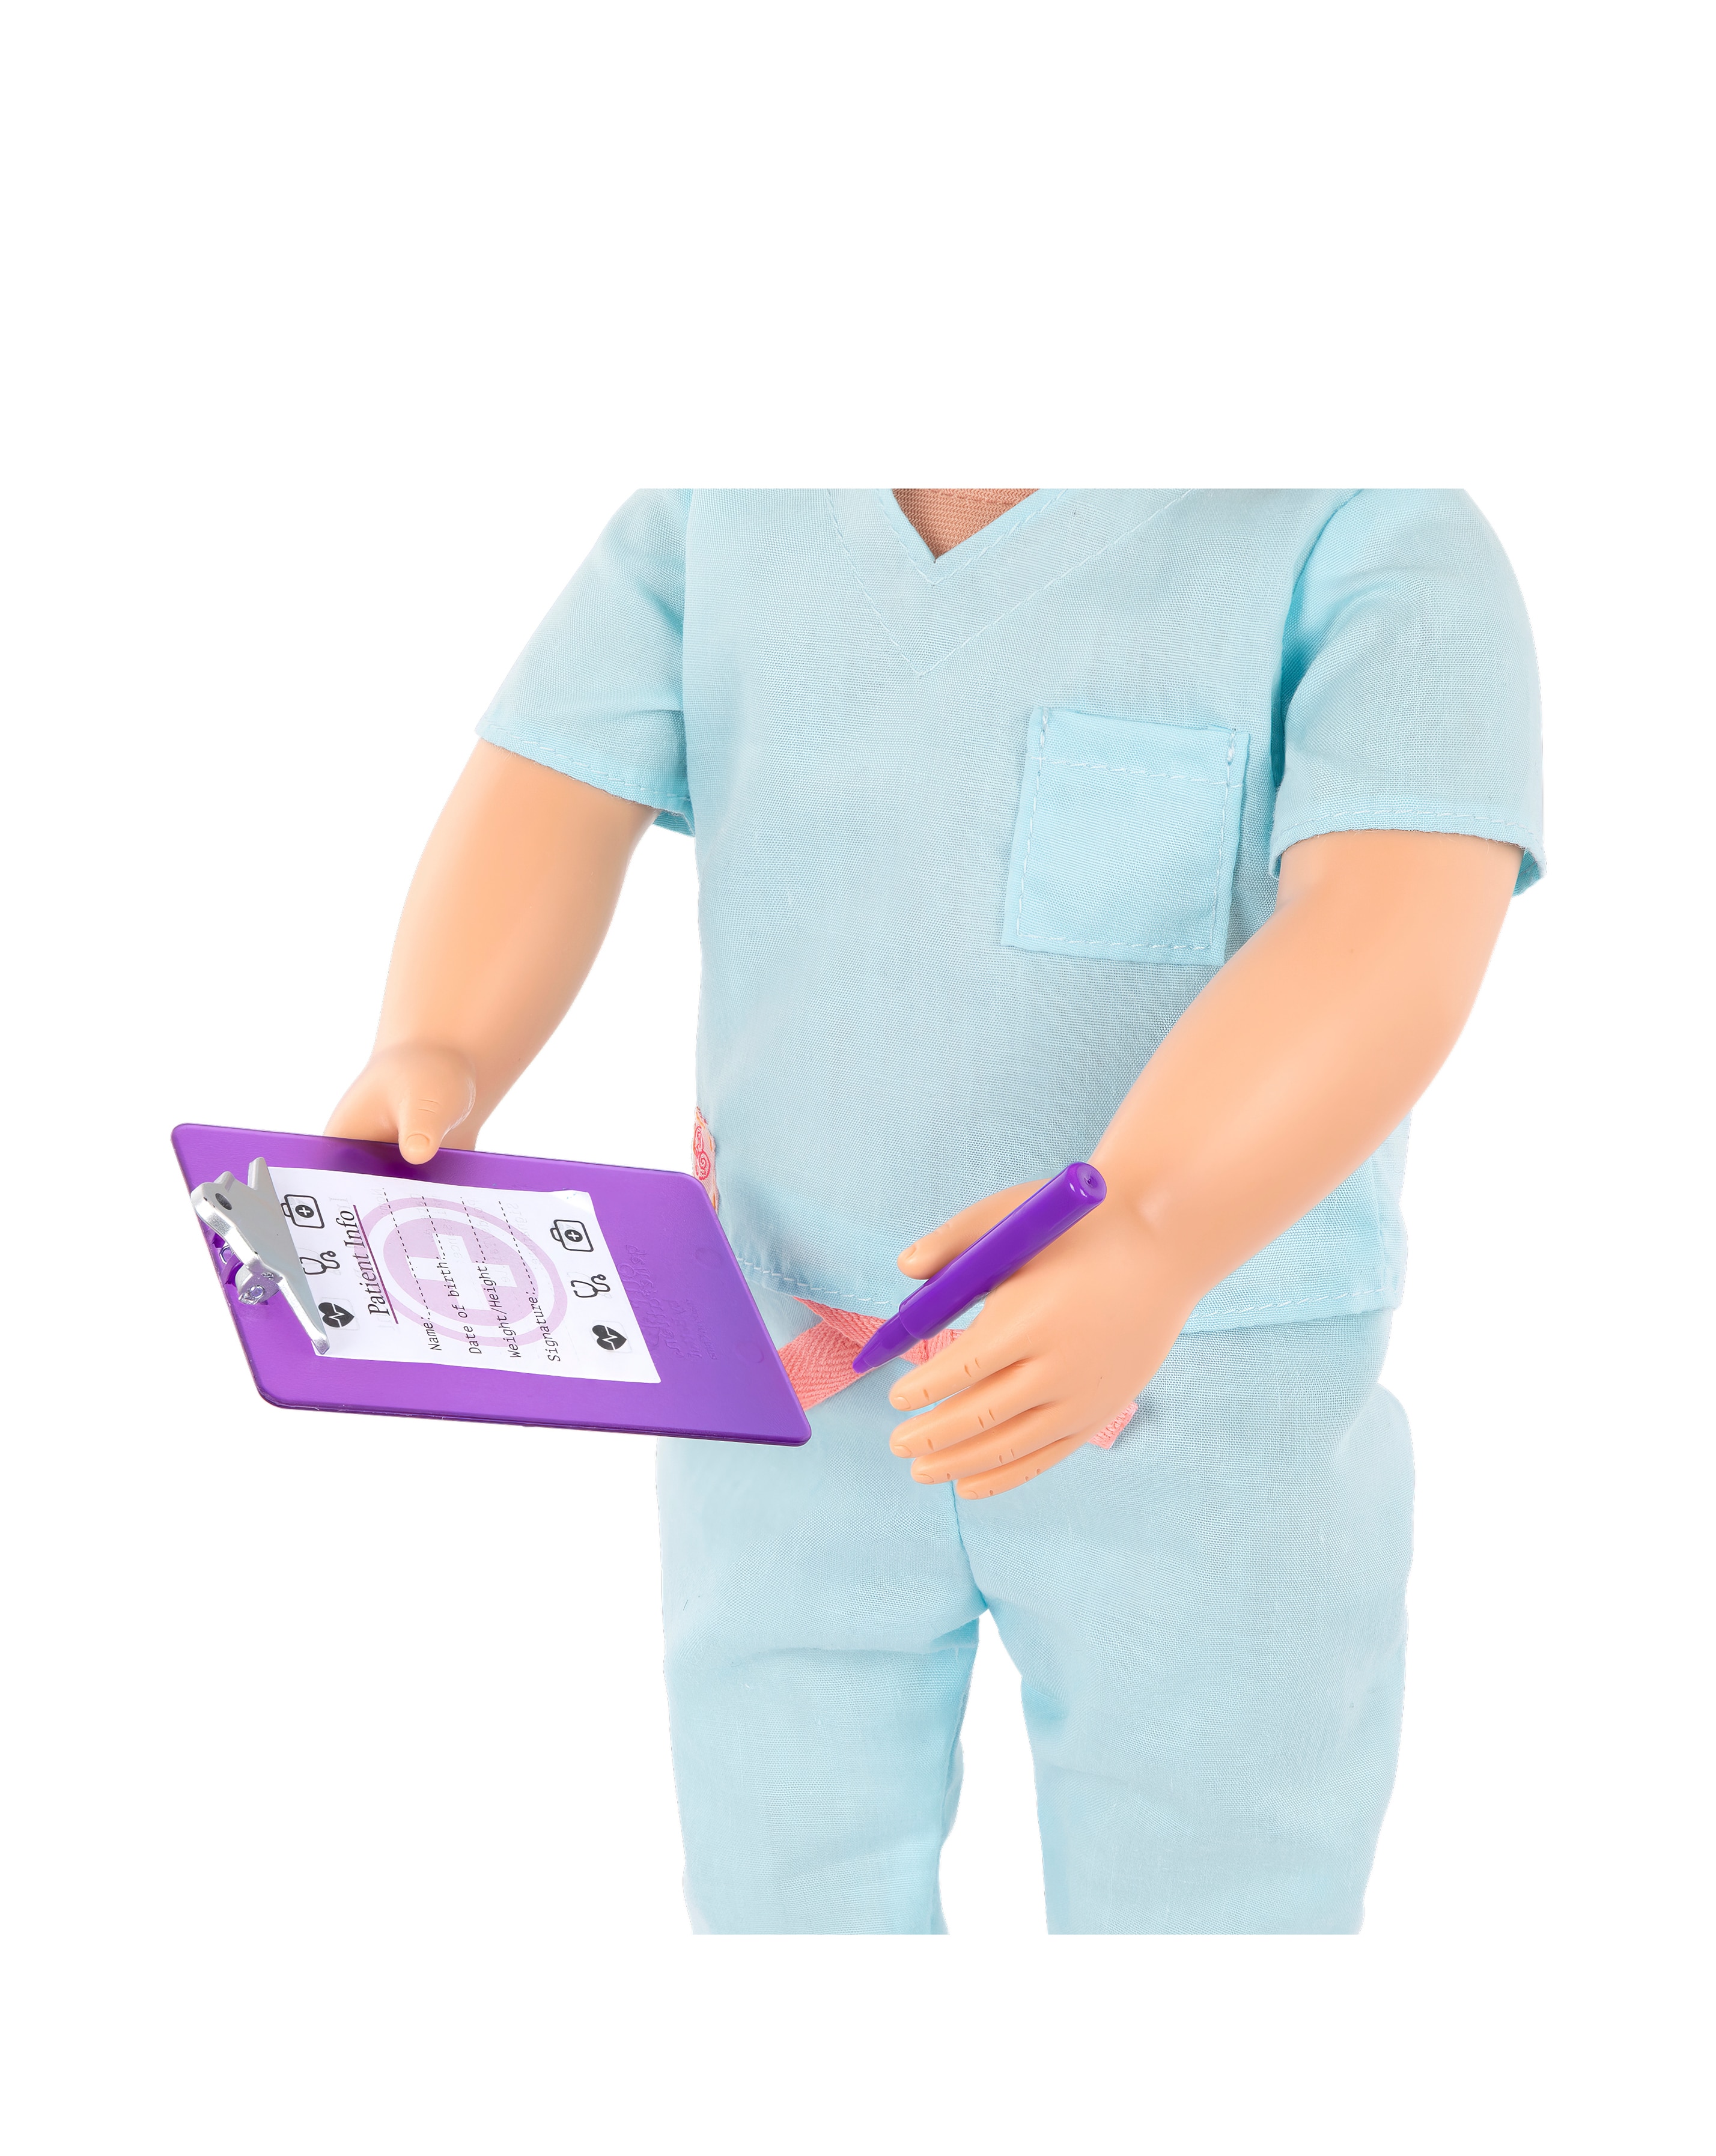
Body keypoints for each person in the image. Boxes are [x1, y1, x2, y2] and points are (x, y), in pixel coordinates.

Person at [327, 487, 1544, 1933]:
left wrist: (1156, 1226)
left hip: (1198, 1393)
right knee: (781, 1889)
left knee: (1217, 1894)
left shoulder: (1368, 537)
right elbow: (550, 783)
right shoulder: (728, 506)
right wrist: (441, 1041)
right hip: (781, 1377)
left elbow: (1390, 922)